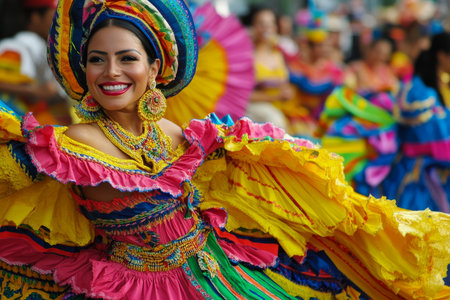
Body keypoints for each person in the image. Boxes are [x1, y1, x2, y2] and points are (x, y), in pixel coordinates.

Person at [0, 0, 449, 299]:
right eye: (97, 59)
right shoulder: (73, 144)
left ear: (155, 67)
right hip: (136, 287)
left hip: (220, 271)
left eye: (127, 58)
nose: (111, 72)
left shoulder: (180, 135)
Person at [0, 0, 71, 125]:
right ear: (35, 17)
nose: (62, 24)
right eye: (55, 17)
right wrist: (36, 92)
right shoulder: (16, 47)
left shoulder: (44, 47)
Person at [244, 5, 293, 130]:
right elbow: (244, 94)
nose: (266, 28)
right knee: (276, 121)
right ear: (253, 26)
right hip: (254, 109)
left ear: (276, 27)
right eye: (261, 23)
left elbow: (285, 84)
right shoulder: (246, 55)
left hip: (282, 107)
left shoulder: (279, 53)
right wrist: (276, 97)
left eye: (270, 24)